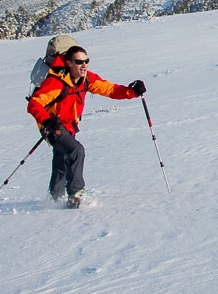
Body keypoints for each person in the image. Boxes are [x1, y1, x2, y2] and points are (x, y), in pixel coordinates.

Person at [27, 44, 147, 207]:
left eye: (86, 61)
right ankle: (75, 194)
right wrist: (46, 120)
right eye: (79, 62)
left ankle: (54, 199)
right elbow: (34, 103)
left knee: (62, 160)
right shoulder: (56, 82)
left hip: (69, 127)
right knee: (76, 150)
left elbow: (109, 89)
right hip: (52, 125)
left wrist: (131, 91)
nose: (84, 65)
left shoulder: (87, 79)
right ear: (69, 63)